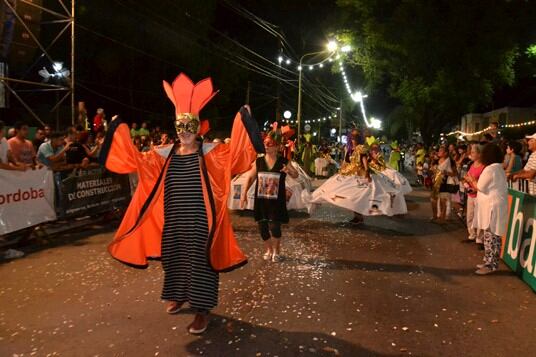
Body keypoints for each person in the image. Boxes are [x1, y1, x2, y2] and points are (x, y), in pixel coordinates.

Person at [99, 73, 263, 334]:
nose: (184, 133)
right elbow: (134, 161)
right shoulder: (163, 154)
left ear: (197, 127)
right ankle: (178, 295)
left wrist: (243, 120)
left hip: (201, 220)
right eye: (180, 127)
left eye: (189, 127)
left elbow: (238, 156)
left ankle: (201, 311)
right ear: (175, 128)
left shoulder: (211, 152)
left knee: (201, 263)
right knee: (175, 260)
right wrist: (117, 130)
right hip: (174, 219)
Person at [241, 124, 299, 262]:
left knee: (275, 227)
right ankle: (269, 249)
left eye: (270, 144)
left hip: (276, 201)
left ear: (277, 146)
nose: (266, 146)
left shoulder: (283, 161)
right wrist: (243, 194)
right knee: (262, 227)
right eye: (265, 143)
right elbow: (250, 177)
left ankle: (277, 251)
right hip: (261, 200)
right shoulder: (259, 161)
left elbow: (296, 175)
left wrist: (289, 171)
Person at [466, 144, 507, 275]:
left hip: (492, 208)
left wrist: (472, 180)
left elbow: (480, 186)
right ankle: (488, 262)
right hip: (493, 206)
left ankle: (491, 265)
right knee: (490, 236)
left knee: (491, 237)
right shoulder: (497, 168)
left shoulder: (490, 169)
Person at [461, 144, 485, 245]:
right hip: (470, 194)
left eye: (473, 152)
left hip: (478, 195)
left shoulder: (484, 167)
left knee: (479, 217)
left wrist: (475, 188)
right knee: (470, 216)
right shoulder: (471, 165)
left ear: (479, 154)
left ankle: (479, 238)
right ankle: (472, 234)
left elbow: (483, 183)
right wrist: (466, 183)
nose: (471, 154)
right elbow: (467, 177)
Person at [435, 145, 458, 222]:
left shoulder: (450, 161)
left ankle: (443, 217)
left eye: (441, 151)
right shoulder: (438, 160)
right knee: (439, 200)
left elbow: (455, 173)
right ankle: (440, 215)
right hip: (438, 182)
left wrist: (447, 173)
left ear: (446, 153)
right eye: (439, 151)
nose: (439, 152)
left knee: (443, 200)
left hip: (446, 182)